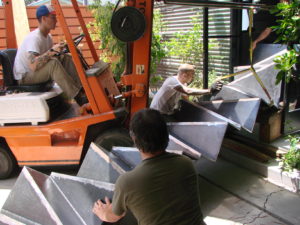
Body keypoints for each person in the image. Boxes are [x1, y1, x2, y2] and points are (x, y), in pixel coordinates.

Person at [93, 108, 206, 225]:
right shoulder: (186, 163)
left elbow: (115, 216)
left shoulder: (127, 182)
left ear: (134, 139)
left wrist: (103, 213)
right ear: (166, 135)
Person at [13, 5, 87, 106]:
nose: (56, 20)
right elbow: (33, 65)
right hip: (25, 77)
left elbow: (49, 57)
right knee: (53, 64)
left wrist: (62, 50)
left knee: (66, 58)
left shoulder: (48, 37)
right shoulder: (34, 38)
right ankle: (78, 98)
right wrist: (52, 51)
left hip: (36, 73)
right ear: (43, 18)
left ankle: (84, 91)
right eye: (53, 17)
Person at [150, 64, 223, 116]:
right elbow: (187, 91)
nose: (193, 77)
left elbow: (186, 99)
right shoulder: (171, 81)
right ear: (184, 75)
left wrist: (199, 107)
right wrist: (209, 90)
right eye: (192, 75)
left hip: (167, 112)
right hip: (156, 113)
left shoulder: (184, 85)